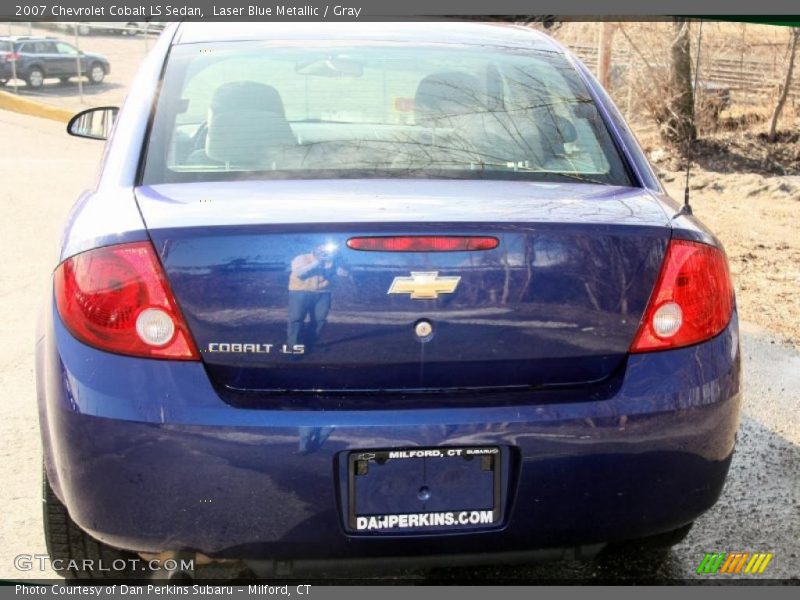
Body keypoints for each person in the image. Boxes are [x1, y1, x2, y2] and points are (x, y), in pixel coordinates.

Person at [287, 244, 348, 352]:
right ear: (315, 249)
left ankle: (310, 345)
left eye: (327, 249)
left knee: (319, 320)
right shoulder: (302, 258)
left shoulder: (333, 261)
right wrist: (318, 262)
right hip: (300, 291)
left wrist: (340, 260)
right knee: (296, 319)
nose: (324, 251)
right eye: (321, 249)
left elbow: (344, 274)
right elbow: (299, 273)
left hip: (323, 293)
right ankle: (294, 348)